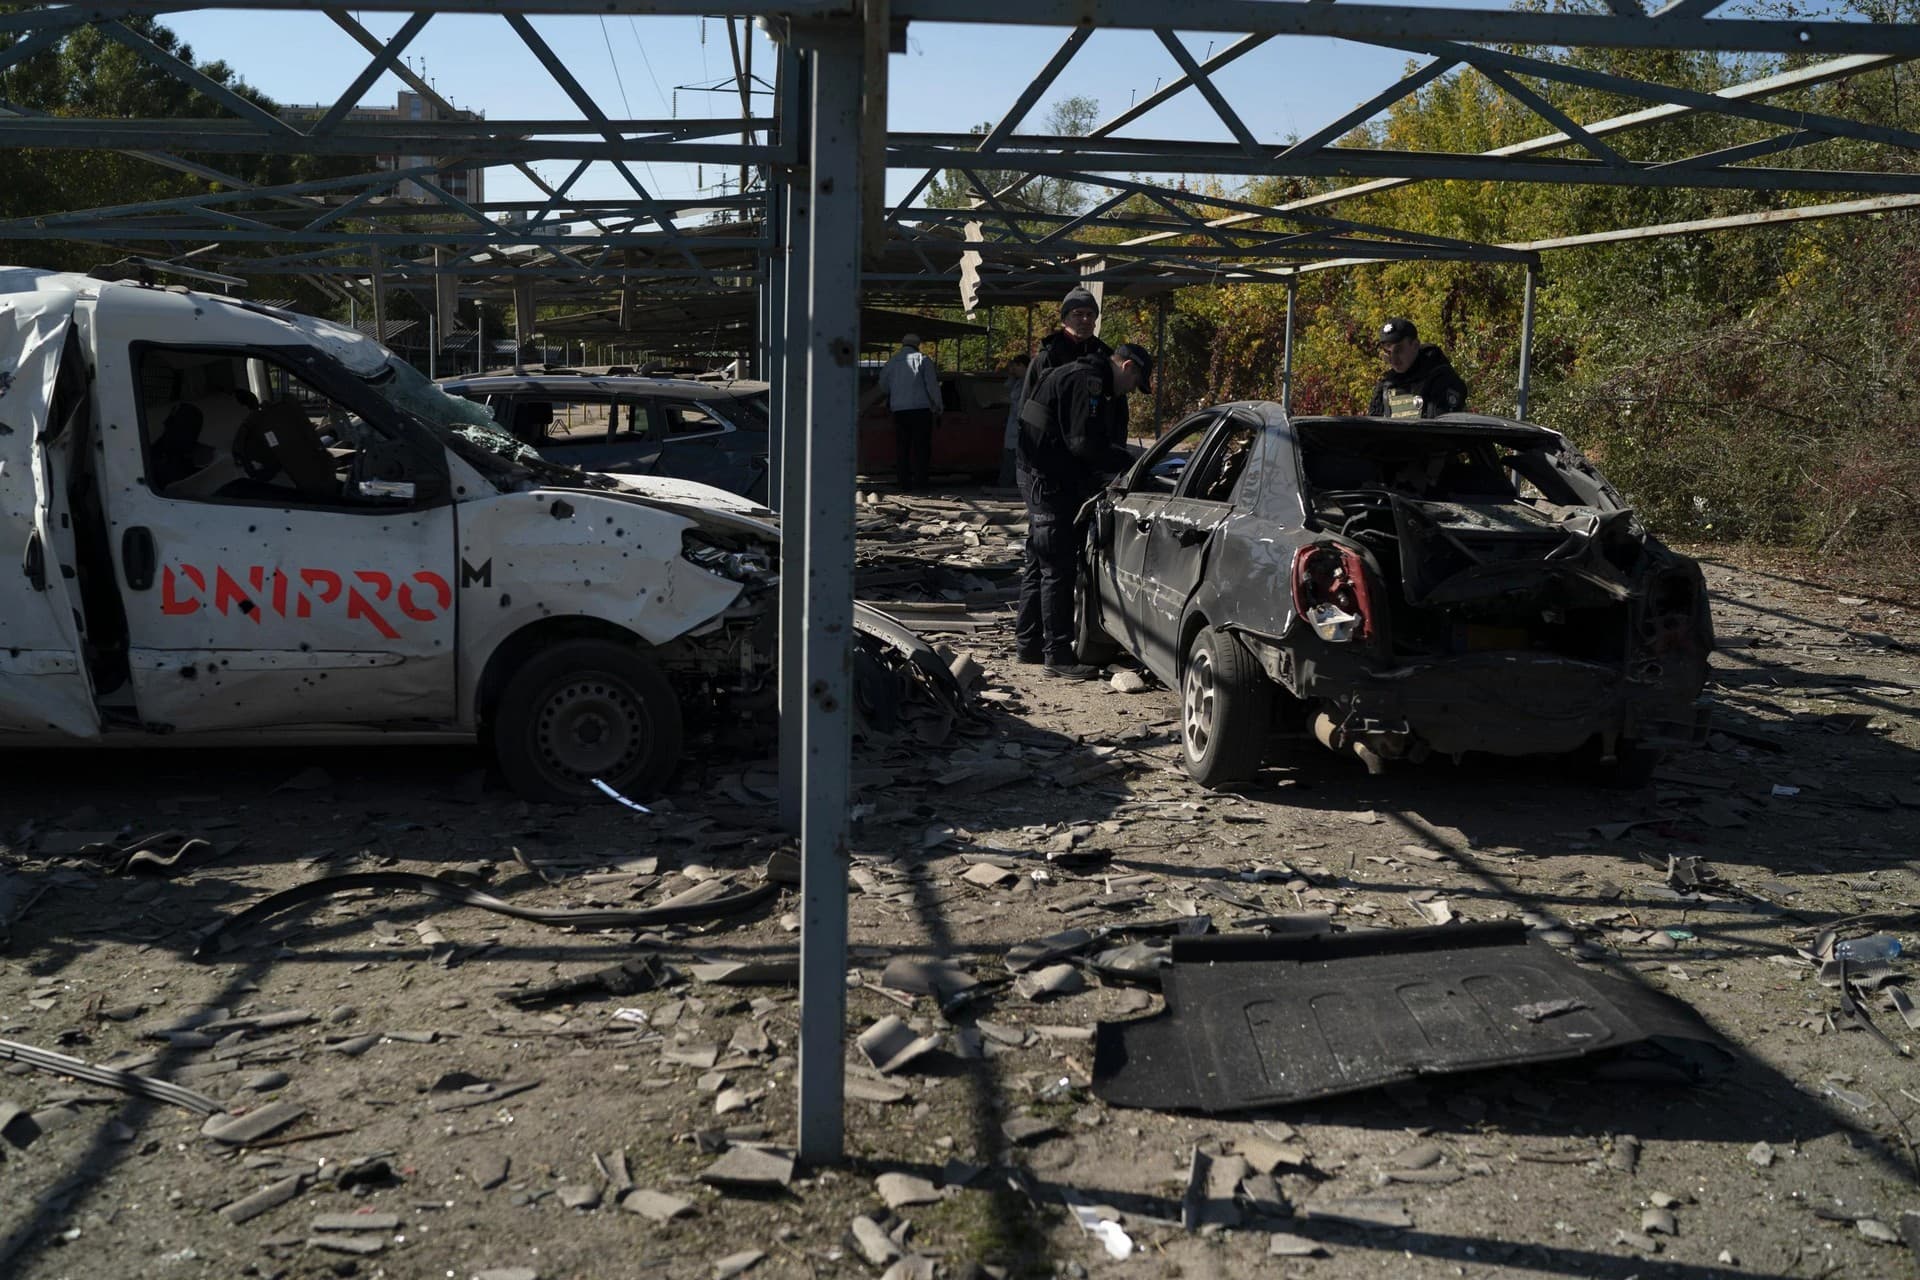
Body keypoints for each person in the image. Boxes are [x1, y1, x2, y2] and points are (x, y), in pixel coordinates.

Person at [1015, 342, 1153, 679]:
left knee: (1040, 562)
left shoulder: (1076, 374)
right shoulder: (1087, 381)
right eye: (1134, 383)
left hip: (1037, 475)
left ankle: (1029, 644)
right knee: (1057, 567)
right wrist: (1126, 463)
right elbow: (1082, 443)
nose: (1129, 392)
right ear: (1127, 368)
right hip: (1048, 482)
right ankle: (1058, 656)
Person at [1015, 286, 1112, 428]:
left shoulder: (1105, 356)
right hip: (1054, 441)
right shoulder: (1048, 356)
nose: (1085, 319)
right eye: (1078, 314)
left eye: (1090, 314)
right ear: (1064, 320)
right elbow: (1027, 408)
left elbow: (1117, 407)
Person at [1367, 317, 1468, 420]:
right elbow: (1373, 430)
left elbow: (1441, 429)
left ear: (1415, 345)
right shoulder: (1386, 385)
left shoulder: (1441, 379)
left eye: (1398, 350)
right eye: (1388, 352)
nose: (1393, 358)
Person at [877, 333, 943, 489]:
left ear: (902, 344)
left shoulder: (892, 362)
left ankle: (903, 482)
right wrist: (939, 406)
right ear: (918, 344)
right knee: (921, 448)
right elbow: (932, 386)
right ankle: (921, 482)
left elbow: (883, 386)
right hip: (921, 410)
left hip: (899, 410)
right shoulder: (924, 360)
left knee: (902, 447)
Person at [997, 353, 1029, 489]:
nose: (1014, 370)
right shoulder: (1018, 381)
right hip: (1013, 424)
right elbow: (1007, 389)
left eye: (1016, 367)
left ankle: (1012, 484)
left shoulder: (1029, 381)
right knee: (1009, 455)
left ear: (1022, 366)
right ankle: (1006, 483)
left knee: (1016, 457)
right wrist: (1011, 374)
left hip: (1021, 424)